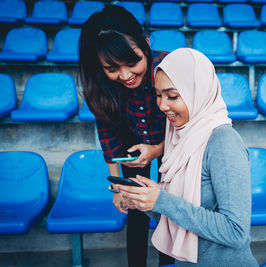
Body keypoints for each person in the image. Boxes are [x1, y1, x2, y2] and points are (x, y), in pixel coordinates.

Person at [116, 48, 259, 266]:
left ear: (198, 92)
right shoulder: (180, 136)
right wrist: (146, 201)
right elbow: (180, 212)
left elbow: (236, 232)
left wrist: (161, 200)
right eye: (158, 95)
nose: (162, 106)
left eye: (172, 96)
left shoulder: (223, 142)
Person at [78, 5, 173, 267]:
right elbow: (107, 134)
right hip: (131, 142)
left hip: (174, 143)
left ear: (146, 44)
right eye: (112, 68)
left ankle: (170, 263)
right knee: (135, 209)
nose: (125, 75)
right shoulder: (100, 84)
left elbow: (191, 125)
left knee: (170, 205)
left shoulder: (170, 67)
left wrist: (157, 149)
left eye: (133, 62)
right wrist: (117, 187)